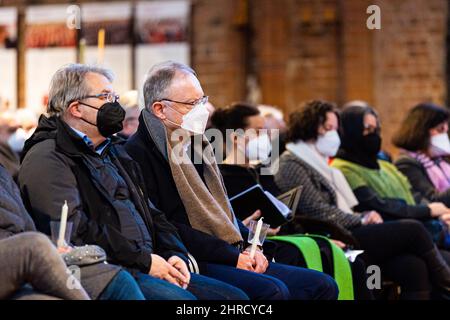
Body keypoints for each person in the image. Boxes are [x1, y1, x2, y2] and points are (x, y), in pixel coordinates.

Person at [18, 63, 248, 301]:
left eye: (114, 96)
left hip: (147, 261)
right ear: (76, 108)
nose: (114, 105)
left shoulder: (113, 150)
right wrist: (146, 261)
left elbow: (152, 213)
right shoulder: (48, 156)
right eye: (105, 97)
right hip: (108, 269)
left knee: (235, 297)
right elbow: (74, 229)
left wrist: (173, 252)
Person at [125, 61, 339, 300]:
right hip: (195, 256)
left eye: (202, 100)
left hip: (230, 248)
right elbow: (168, 225)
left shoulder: (198, 145)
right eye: (191, 104)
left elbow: (221, 207)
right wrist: (232, 256)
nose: (202, 111)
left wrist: (251, 244)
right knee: (273, 291)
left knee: (323, 285)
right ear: (160, 109)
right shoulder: (138, 153)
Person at [274, 100, 450, 299]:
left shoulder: (321, 163)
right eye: (328, 128)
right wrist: (362, 218)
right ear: (310, 127)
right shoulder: (291, 163)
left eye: (335, 128)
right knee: (413, 229)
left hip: (345, 227)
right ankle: (447, 282)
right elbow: (317, 210)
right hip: (330, 233)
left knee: (412, 266)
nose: (333, 134)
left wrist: (363, 216)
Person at [212, 102, 373, 300]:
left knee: (349, 258)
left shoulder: (262, 172)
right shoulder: (224, 176)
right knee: (327, 267)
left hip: (283, 237)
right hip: (259, 246)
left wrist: (321, 238)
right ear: (236, 138)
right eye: (258, 131)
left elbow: (285, 214)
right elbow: (236, 226)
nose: (266, 138)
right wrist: (257, 230)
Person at [0, 164, 147, 300]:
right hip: (17, 262)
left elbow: (28, 228)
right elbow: (33, 243)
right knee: (36, 246)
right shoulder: (44, 157)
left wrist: (54, 247)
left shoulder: (3, 171)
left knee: (117, 279)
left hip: (32, 264)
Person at [331, 104, 450, 245]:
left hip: (419, 225)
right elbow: (377, 204)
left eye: (376, 130)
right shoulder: (343, 168)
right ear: (351, 131)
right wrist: (428, 211)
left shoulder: (385, 164)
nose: (374, 135)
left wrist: (436, 213)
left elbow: (414, 196)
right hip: (390, 230)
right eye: (368, 129)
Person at [393, 103, 450, 208]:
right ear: (422, 132)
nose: (445, 136)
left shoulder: (441, 159)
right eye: (440, 129)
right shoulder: (406, 164)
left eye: (446, 130)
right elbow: (432, 200)